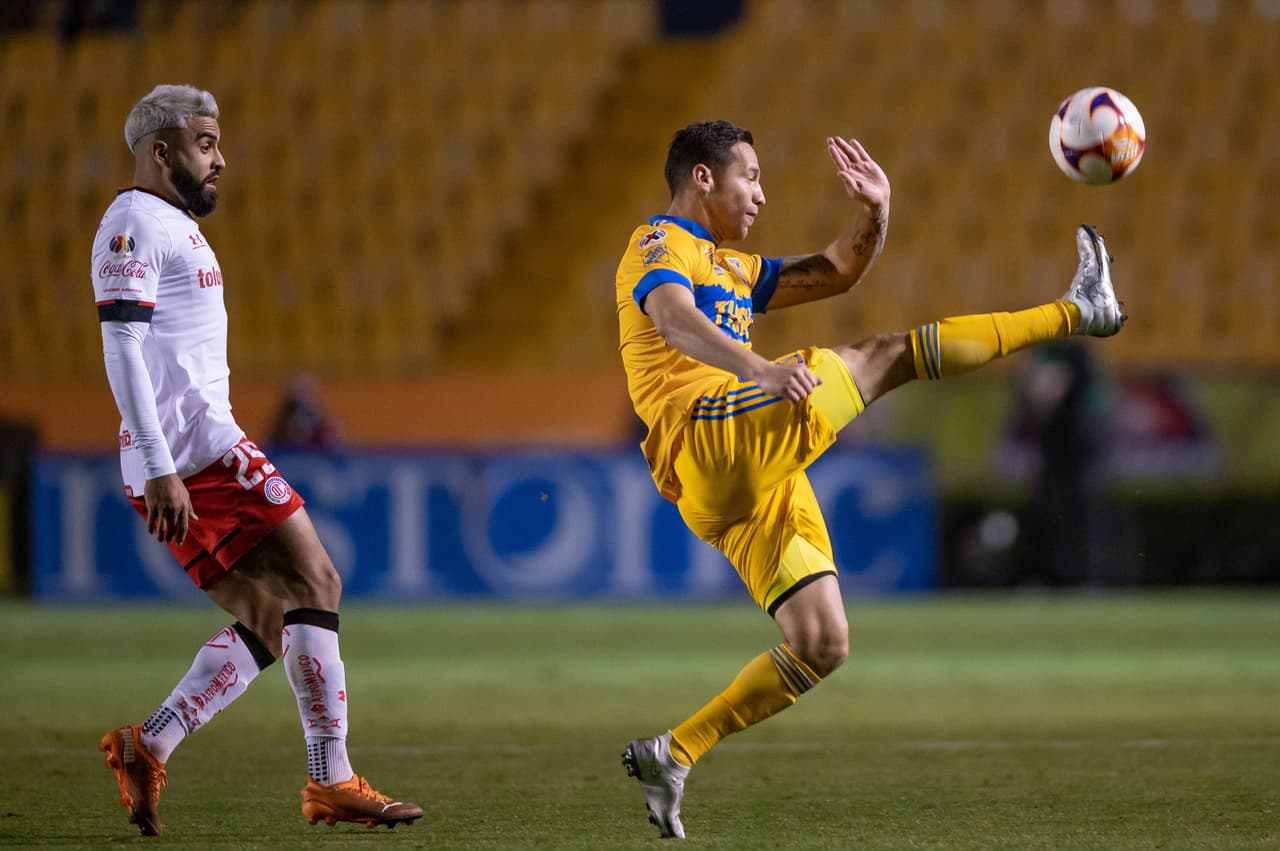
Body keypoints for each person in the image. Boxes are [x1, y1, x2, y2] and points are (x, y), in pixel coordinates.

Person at [615, 120, 1123, 839]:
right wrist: (759, 367)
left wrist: (875, 212)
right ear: (703, 178)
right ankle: (1080, 309)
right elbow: (672, 320)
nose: (760, 194)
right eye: (749, 176)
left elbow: (838, 269)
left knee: (822, 641)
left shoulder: (734, 268)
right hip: (709, 431)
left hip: (733, 485)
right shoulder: (658, 245)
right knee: (887, 354)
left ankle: (676, 750)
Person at [92, 84, 422, 836]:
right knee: (318, 579)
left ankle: (151, 742)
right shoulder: (133, 223)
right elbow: (124, 347)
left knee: (272, 616)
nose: (221, 158)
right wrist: (162, 461)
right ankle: (330, 778)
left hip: (183, 452)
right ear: (161, 150)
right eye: (206, 144)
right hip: (195, 452)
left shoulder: (167, 223)